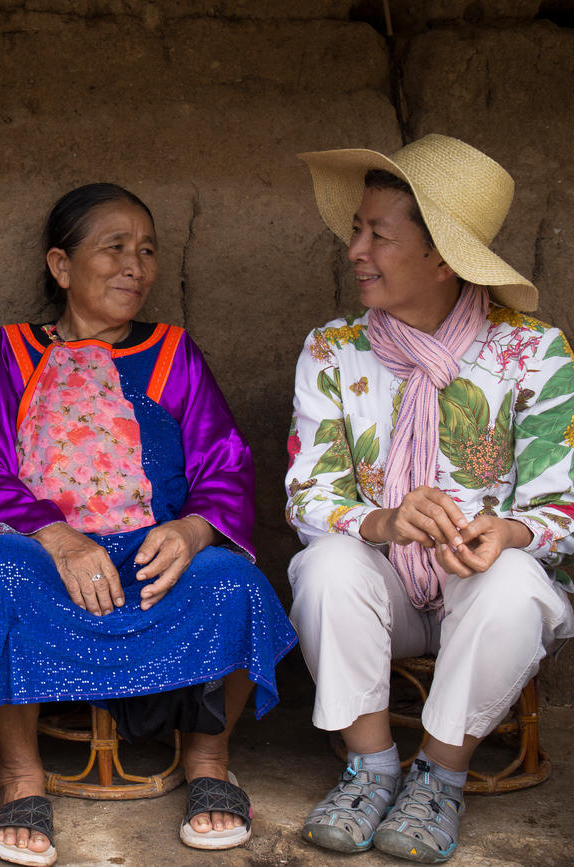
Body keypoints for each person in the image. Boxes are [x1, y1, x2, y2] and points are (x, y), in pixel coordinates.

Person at [0, 183, 298, 865]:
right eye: (113, 249)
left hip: (155, 571)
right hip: (54, 566)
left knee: (234, 581)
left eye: (146, 251)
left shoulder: (175, 353)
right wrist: (58, 537)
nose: (134, 266)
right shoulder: (17, 354)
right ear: (61, 265)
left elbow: (224, 462)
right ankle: (21, 778)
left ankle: (208, 760)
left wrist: (196, 531)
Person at [287, 134, 574, 863]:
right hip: (386, 589)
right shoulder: (333, 351)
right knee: (326, 567)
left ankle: (440, 776)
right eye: (357, 228)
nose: (355, 249)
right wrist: (381, 518)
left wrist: (502, 532)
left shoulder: (534, 354)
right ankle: (372, 767)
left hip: (477, 592)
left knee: (514, 584)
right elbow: (307, 495)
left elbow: (562, 506)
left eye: (377, 235)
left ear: (443, 256)